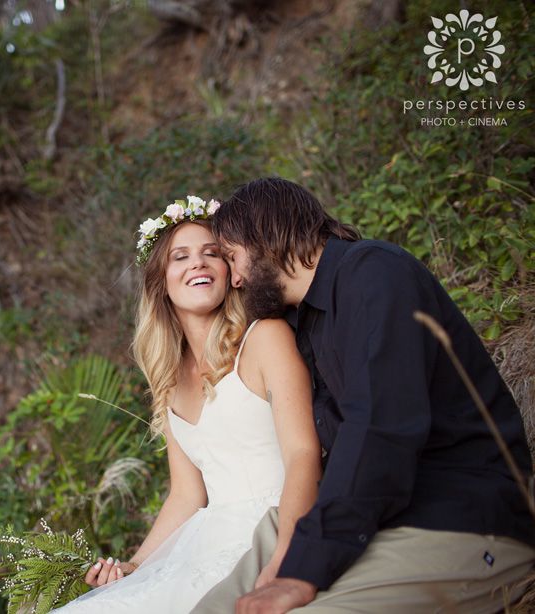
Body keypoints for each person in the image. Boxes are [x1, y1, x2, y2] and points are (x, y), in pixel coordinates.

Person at [193, 177, 535, 614]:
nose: (235, 279)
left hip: (456, 515)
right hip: (370, 520)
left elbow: (381, 428)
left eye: (233, 258)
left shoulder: (374, 273)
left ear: (264, 235)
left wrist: (302, 570)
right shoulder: (302, 324)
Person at [54, 197, 322, 613]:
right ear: (162, 282)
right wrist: (136, 565)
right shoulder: (168, 379)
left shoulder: (265, 339)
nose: (197, 263)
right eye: (181, 257)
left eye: (211, 254)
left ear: (230, 271)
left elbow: (304, 454)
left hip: (269, 530)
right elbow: (186, 494)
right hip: (205, 540)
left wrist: (290, 555)